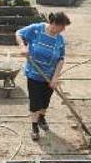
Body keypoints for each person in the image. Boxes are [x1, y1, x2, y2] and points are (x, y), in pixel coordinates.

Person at [15, 12, 70, 141]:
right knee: (35, 101)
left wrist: (55, 78)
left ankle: (41, 118)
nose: (64, 29)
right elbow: (19, 33)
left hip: (50, 76)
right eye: (62, 26)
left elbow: (61, 59)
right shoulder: (37, 29)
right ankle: (34, 127)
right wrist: (23, 47)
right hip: (34, 74)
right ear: (54, 24)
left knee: (45, 101)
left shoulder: (59, 39)